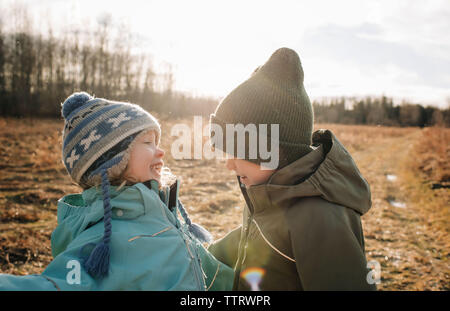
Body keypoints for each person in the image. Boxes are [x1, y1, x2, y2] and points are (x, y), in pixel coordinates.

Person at [0, 92, 233, 291]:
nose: (161, 151)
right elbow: (57, 284)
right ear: (113, 161)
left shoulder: (161, 212)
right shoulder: (100, 240)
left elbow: (207, 270)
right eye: (148, 143)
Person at [208, 47, 377, 290]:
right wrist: (205, 254)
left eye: (236, 152)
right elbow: (255, 238)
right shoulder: (269, 191)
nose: (228, 163)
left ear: (273, 151)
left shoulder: (320, 220)